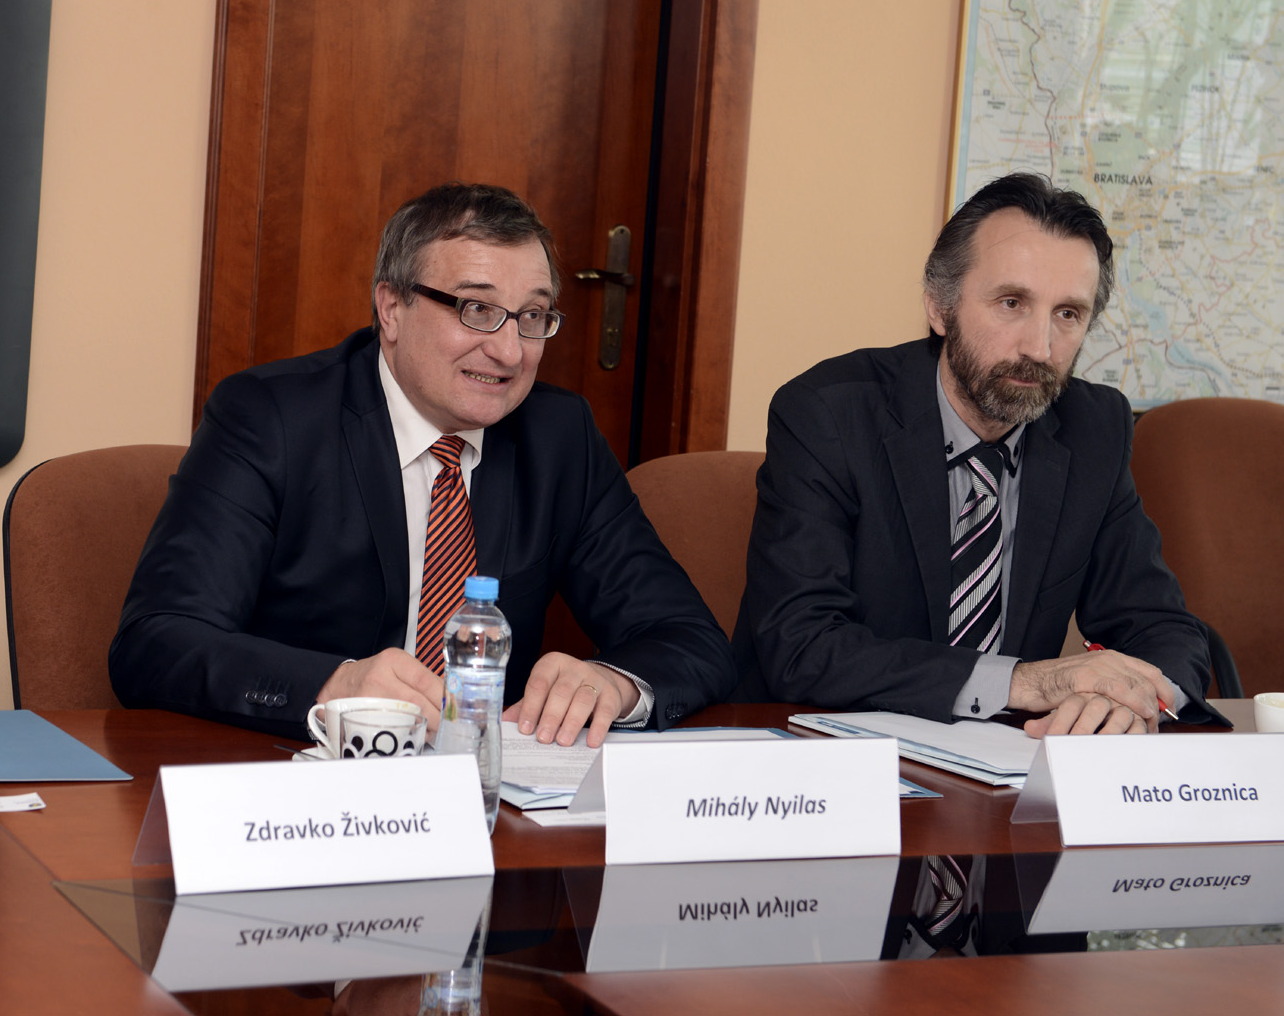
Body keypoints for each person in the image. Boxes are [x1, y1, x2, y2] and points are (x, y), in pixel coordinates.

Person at [110, 183, 735, 745]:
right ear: (391, 309)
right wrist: (334, 685)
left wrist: (614, 683)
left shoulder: (558, 436)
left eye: (532, 317)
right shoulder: (271, 419)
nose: (510, 350)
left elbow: (689, 639)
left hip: (487, 801)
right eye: (476, 309)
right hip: (295, 792)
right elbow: (157, 641)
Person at [736, 172, 1219, 736]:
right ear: (940, 309)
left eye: (1068, 314)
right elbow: (801, 645)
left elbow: (1161, 626)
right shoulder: (829, 415)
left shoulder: (1093, 427)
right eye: (1012, 302)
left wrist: (1131, 699)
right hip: (823, 759)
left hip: (1001, 773)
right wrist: (1024, 682)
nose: (1039, 348)